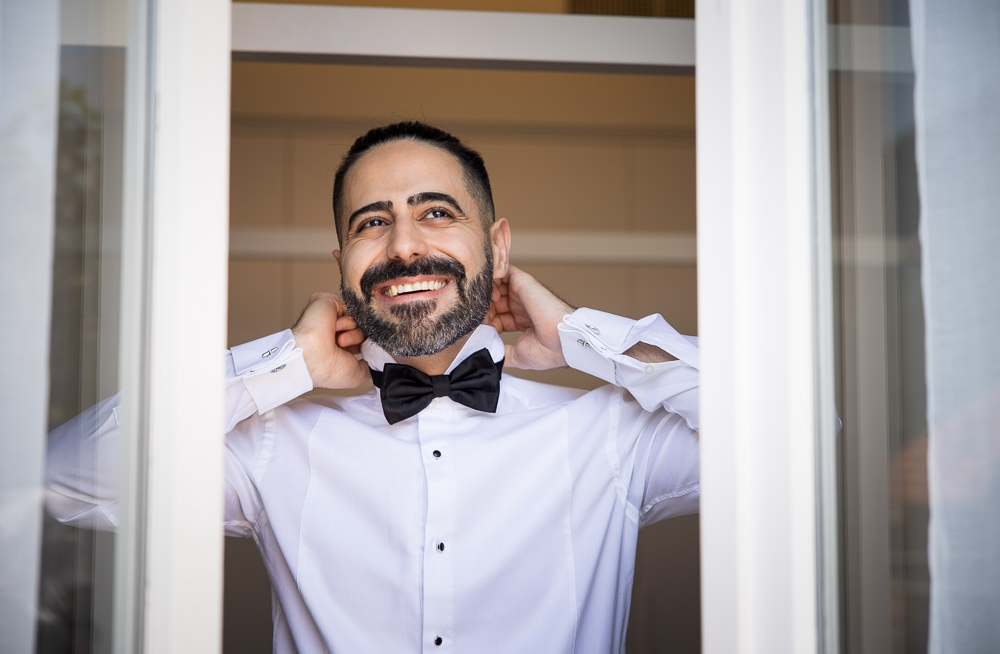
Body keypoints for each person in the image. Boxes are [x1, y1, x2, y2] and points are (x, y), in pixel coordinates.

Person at [47, 121, 700, 653]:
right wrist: (288, 361)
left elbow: (788, 433)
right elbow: (60, 475)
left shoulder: (609, 435)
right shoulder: (271, 445)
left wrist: (585, 337)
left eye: (436, 212)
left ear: (498, 248)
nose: (405, 246)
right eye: (371, 222)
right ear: (342, 263)